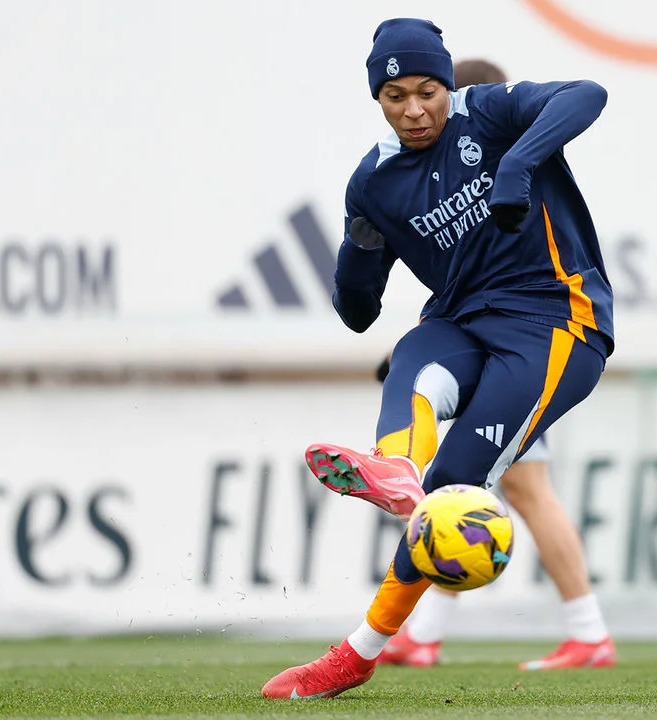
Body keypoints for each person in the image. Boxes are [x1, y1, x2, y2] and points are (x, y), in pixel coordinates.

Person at [262, 18, 614, 700]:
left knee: (454, 481)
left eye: (428, 89)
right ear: (378, 99)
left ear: (448, 85)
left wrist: (516, 164)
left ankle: (357, 654)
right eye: (396, 95)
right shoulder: (373, 183)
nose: (415, 107)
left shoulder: (489, 114)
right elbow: (357, 310)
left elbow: (589, 92)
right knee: (411, 353)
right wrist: (357, 253)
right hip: (464, 319)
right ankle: (394, 467)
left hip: (557, 323)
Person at [373, 57, 615, 673]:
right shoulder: (439, 181)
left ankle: (587, 630)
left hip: (533, 346)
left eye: (433, 95)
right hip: (505, 349)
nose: (420, 112)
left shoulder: (501, 153)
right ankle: (426, 631)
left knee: (516, 493)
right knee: (470, 492)